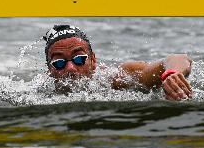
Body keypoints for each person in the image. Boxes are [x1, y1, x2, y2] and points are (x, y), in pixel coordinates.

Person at [43, 24, 192, 101]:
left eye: (79, 59)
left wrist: (172, 74)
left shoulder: (116, 78)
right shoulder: (40, 91)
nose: (70, 68)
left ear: (93, 60)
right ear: (49, 69)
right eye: (59, 63)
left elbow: (178, 58)